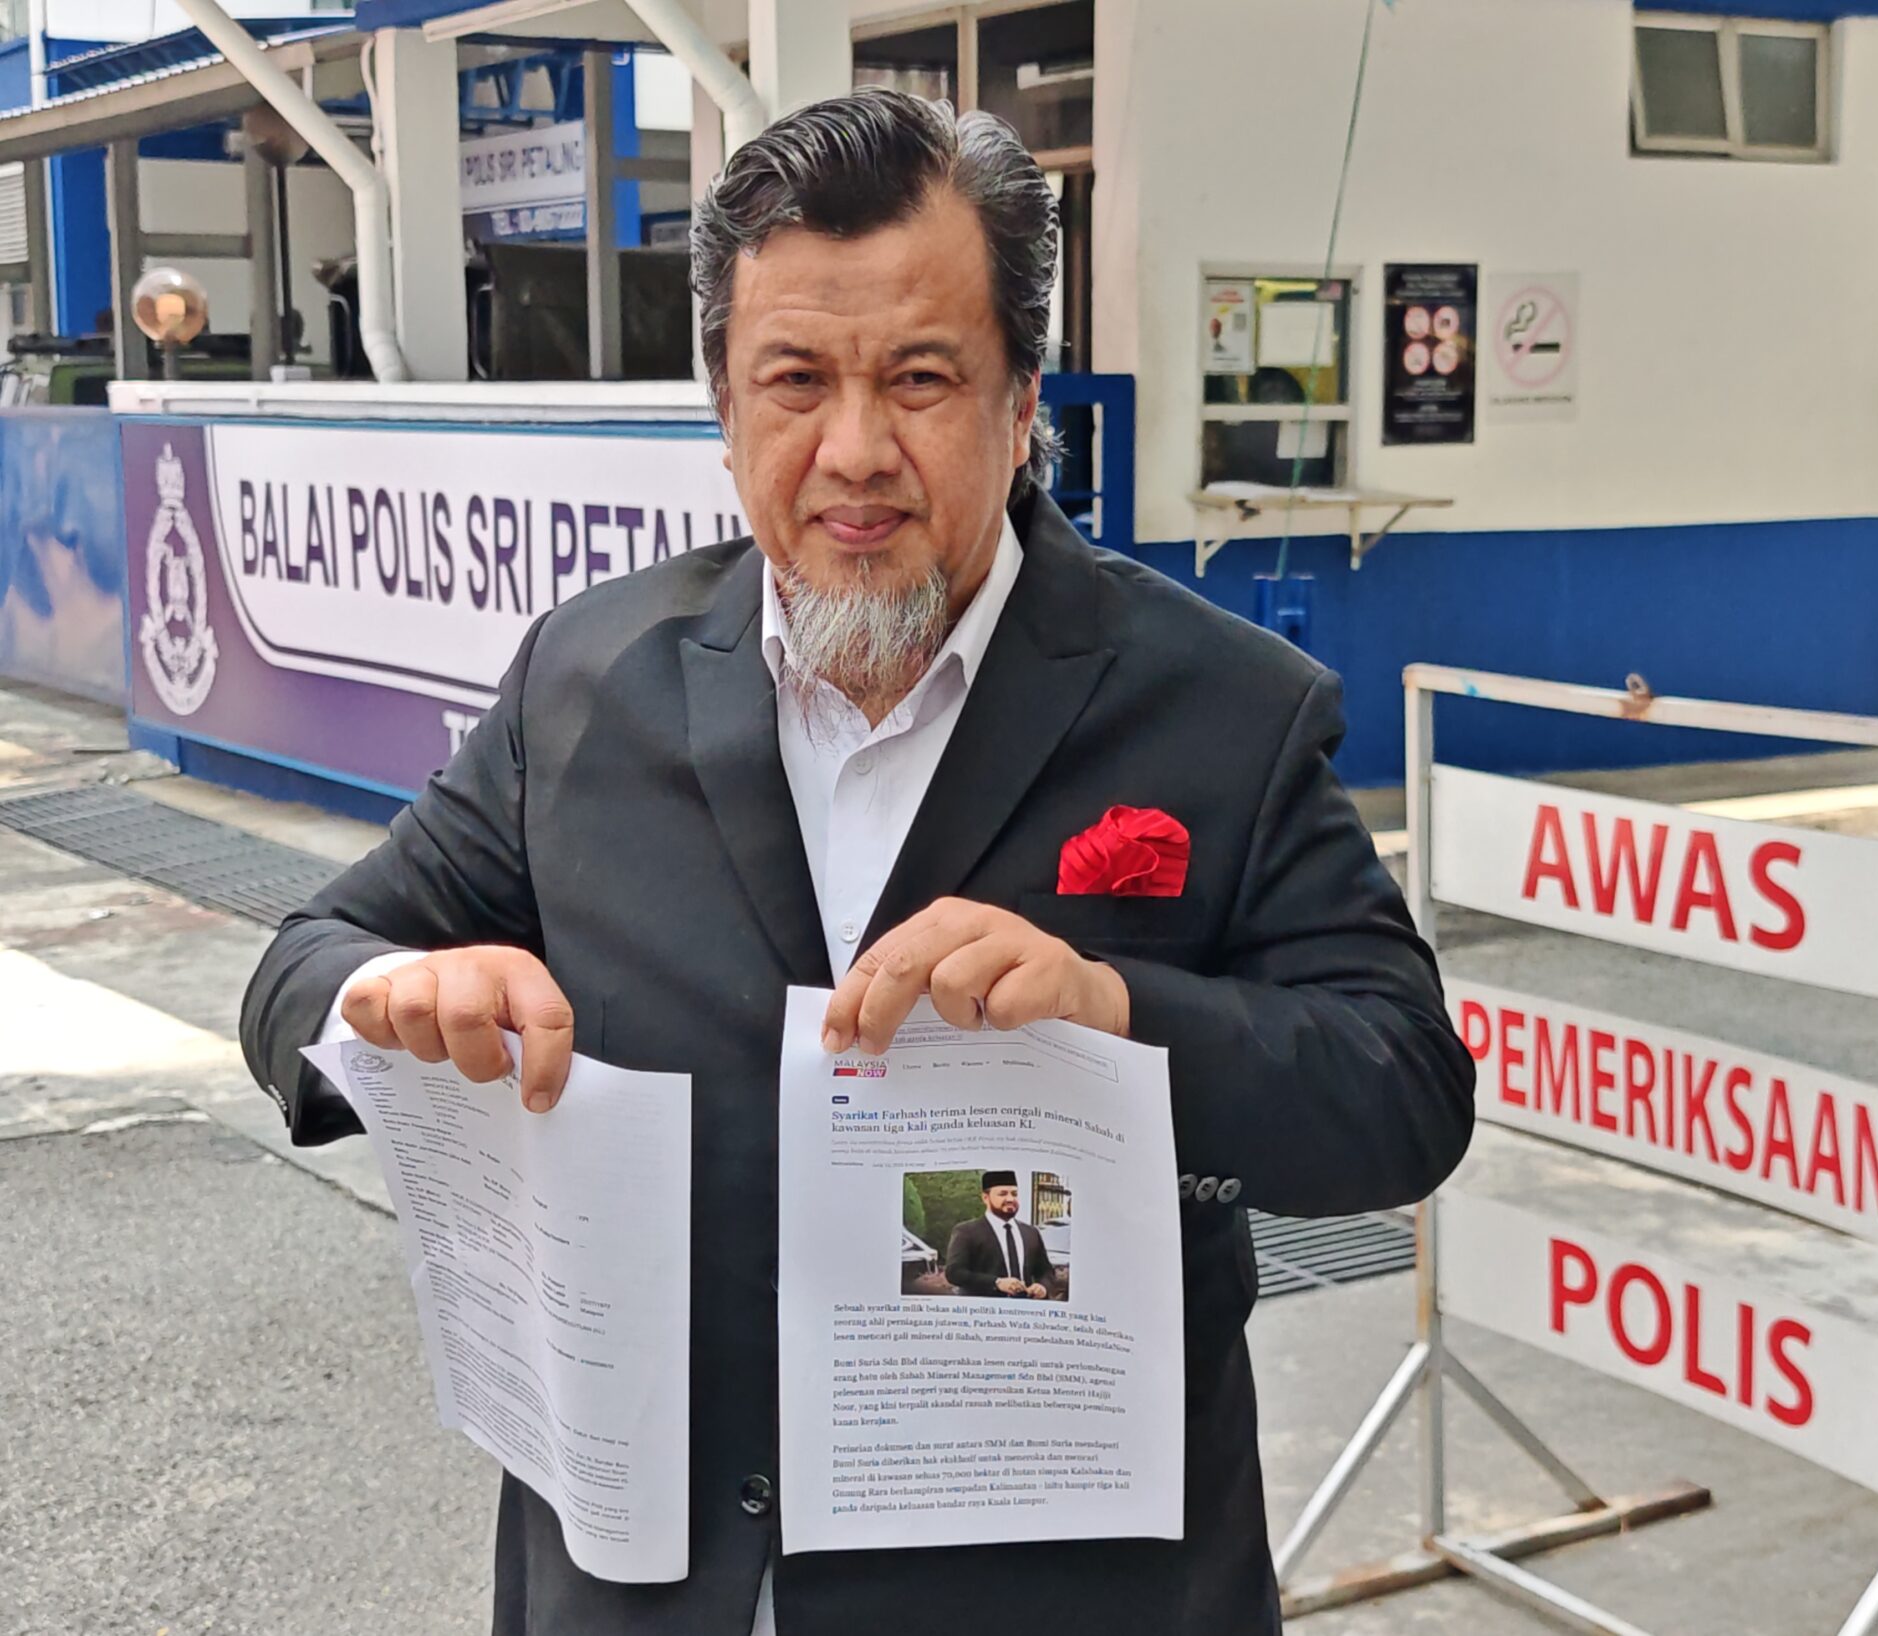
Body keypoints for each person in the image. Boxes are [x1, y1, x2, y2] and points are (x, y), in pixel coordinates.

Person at [239, 88, 1474, 1636]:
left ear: (1022, 403)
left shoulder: (1221, 709)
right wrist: (392, 995)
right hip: (643, 1589)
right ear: (723, 405)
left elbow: (1404, 1091)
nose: (854, 451)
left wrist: (1116, 1017)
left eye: (920, 378)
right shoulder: (588, 682)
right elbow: (302, 965)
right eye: (796, 381)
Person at [943, 1171, 1052, 1298]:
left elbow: (1046, 1271)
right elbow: (954, 1273)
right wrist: (997, 1282)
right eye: (1002, 1194)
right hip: (984, 1307)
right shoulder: (967, 1231)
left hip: (1024, 1308)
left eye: (1014, 1194)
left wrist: (1042, 1287)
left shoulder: (1030, 1232)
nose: (1010, 1199)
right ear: (985, 1198)